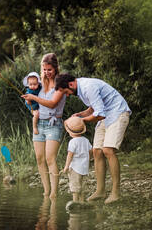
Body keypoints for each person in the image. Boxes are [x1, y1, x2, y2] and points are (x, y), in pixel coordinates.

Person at [55, 74, 131, 204]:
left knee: (108, 150)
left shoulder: (88, 87)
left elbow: (99, 114)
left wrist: (81, 120)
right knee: (97, 151)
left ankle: (115, 193)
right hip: (106, 115)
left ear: (71, 84)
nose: (66, 95)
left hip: (118, 112)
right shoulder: (81, 90)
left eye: (65, 92)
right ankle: (100, 191)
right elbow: (94, 107)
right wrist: (81, 114)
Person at [21, 53, 66, 199]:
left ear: (56, 68)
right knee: (39, 159)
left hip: (54, 124)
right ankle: (46, 192)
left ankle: (54, 193)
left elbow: (52, 103)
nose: (47, 72)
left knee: (50, 159)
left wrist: (34, 98)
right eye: (44, 69)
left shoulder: (60, 84)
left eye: (49, 69)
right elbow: (33, 103)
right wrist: (30, 104)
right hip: (39, 124)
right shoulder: (39, 84)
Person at [60, 116, 93, 206]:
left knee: (75, 186)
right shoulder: (86, 140)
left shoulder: (73, 142)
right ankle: (82, 202)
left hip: (75, 168)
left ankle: (75, 202)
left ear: (69, 131)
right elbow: (91, 150)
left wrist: (66, 166)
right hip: (84, 168)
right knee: (82, 185)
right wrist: (88, 159)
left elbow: (70, 155)